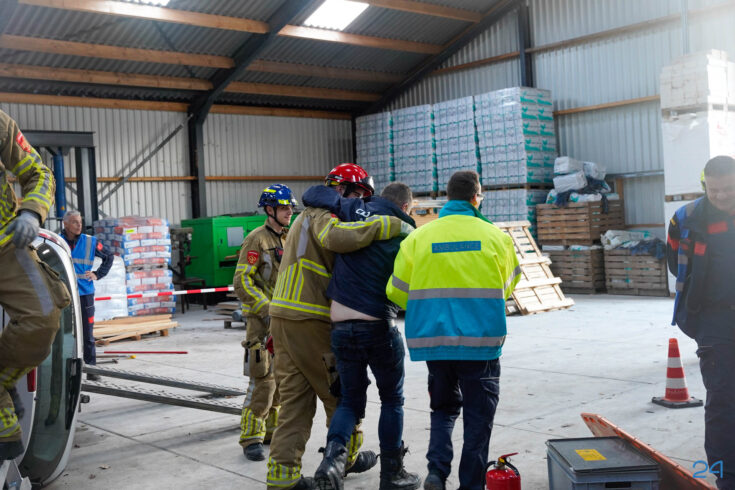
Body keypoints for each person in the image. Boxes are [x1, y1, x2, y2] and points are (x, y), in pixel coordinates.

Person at [266, 163, 415, 490]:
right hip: (311, 316)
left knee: (294, 401)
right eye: (357, 194)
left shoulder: (304, 217)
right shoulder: (322, 214)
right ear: (344, 189)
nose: (359, 203)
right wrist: (386, 225)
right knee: (342, 395)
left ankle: (282, 477)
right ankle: (344, 460)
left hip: (284, 316)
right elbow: (335, 238)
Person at [386, 170, 520, 490]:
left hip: (435, 343)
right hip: (481, 344)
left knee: (443, 409)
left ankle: (436, 473)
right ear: (475, 198)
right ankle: (470, 484)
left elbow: (396, 291)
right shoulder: (496, 237)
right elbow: (508, 284)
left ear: (448, 198)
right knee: (478, 419)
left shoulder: (418, 237)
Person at [303, 182, 421, 490]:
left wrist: (344, 203)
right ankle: (392, 473)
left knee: (349, 401)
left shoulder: (354, 209)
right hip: (377, 326)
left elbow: (312, 194)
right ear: (405, 207)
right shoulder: (408, 233)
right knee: (392, 399)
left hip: (341, 328)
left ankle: (331, 463)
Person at [0, 109, 70, 460]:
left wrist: (31, 212)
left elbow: (38, 172)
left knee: (43, 318)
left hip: (5, 245)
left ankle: (2, 379)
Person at [667, 155, 735, 490]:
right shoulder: (687, 217)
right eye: (714, 189)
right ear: (704, 184)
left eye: (728, 189)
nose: (721, 196)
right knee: (722, 397)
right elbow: (674, 261)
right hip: (714, 318)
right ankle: (726, 475)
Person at [233, 184, 296, 461]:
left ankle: (271, 431)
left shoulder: (290, 237)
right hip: (261, 322)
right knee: (263, 381)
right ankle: (251, 438)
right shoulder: (256, 240)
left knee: (282, 380)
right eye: (284, 208)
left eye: (291, 207)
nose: (289, 212)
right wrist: (265, 308)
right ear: (269, 210)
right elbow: (242, 280)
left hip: (285, 320)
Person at [61, 210, 114, 379]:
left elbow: (109, 256)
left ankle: (91, 370)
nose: (79, 225)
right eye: (75, 222)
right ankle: (66, 373)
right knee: (65, 334)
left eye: (80, 222)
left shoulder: (90, 242)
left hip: (85, 294)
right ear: (65, 224)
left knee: (88, 335)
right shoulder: (57, 242)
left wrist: (98, 274)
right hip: (63, 294)